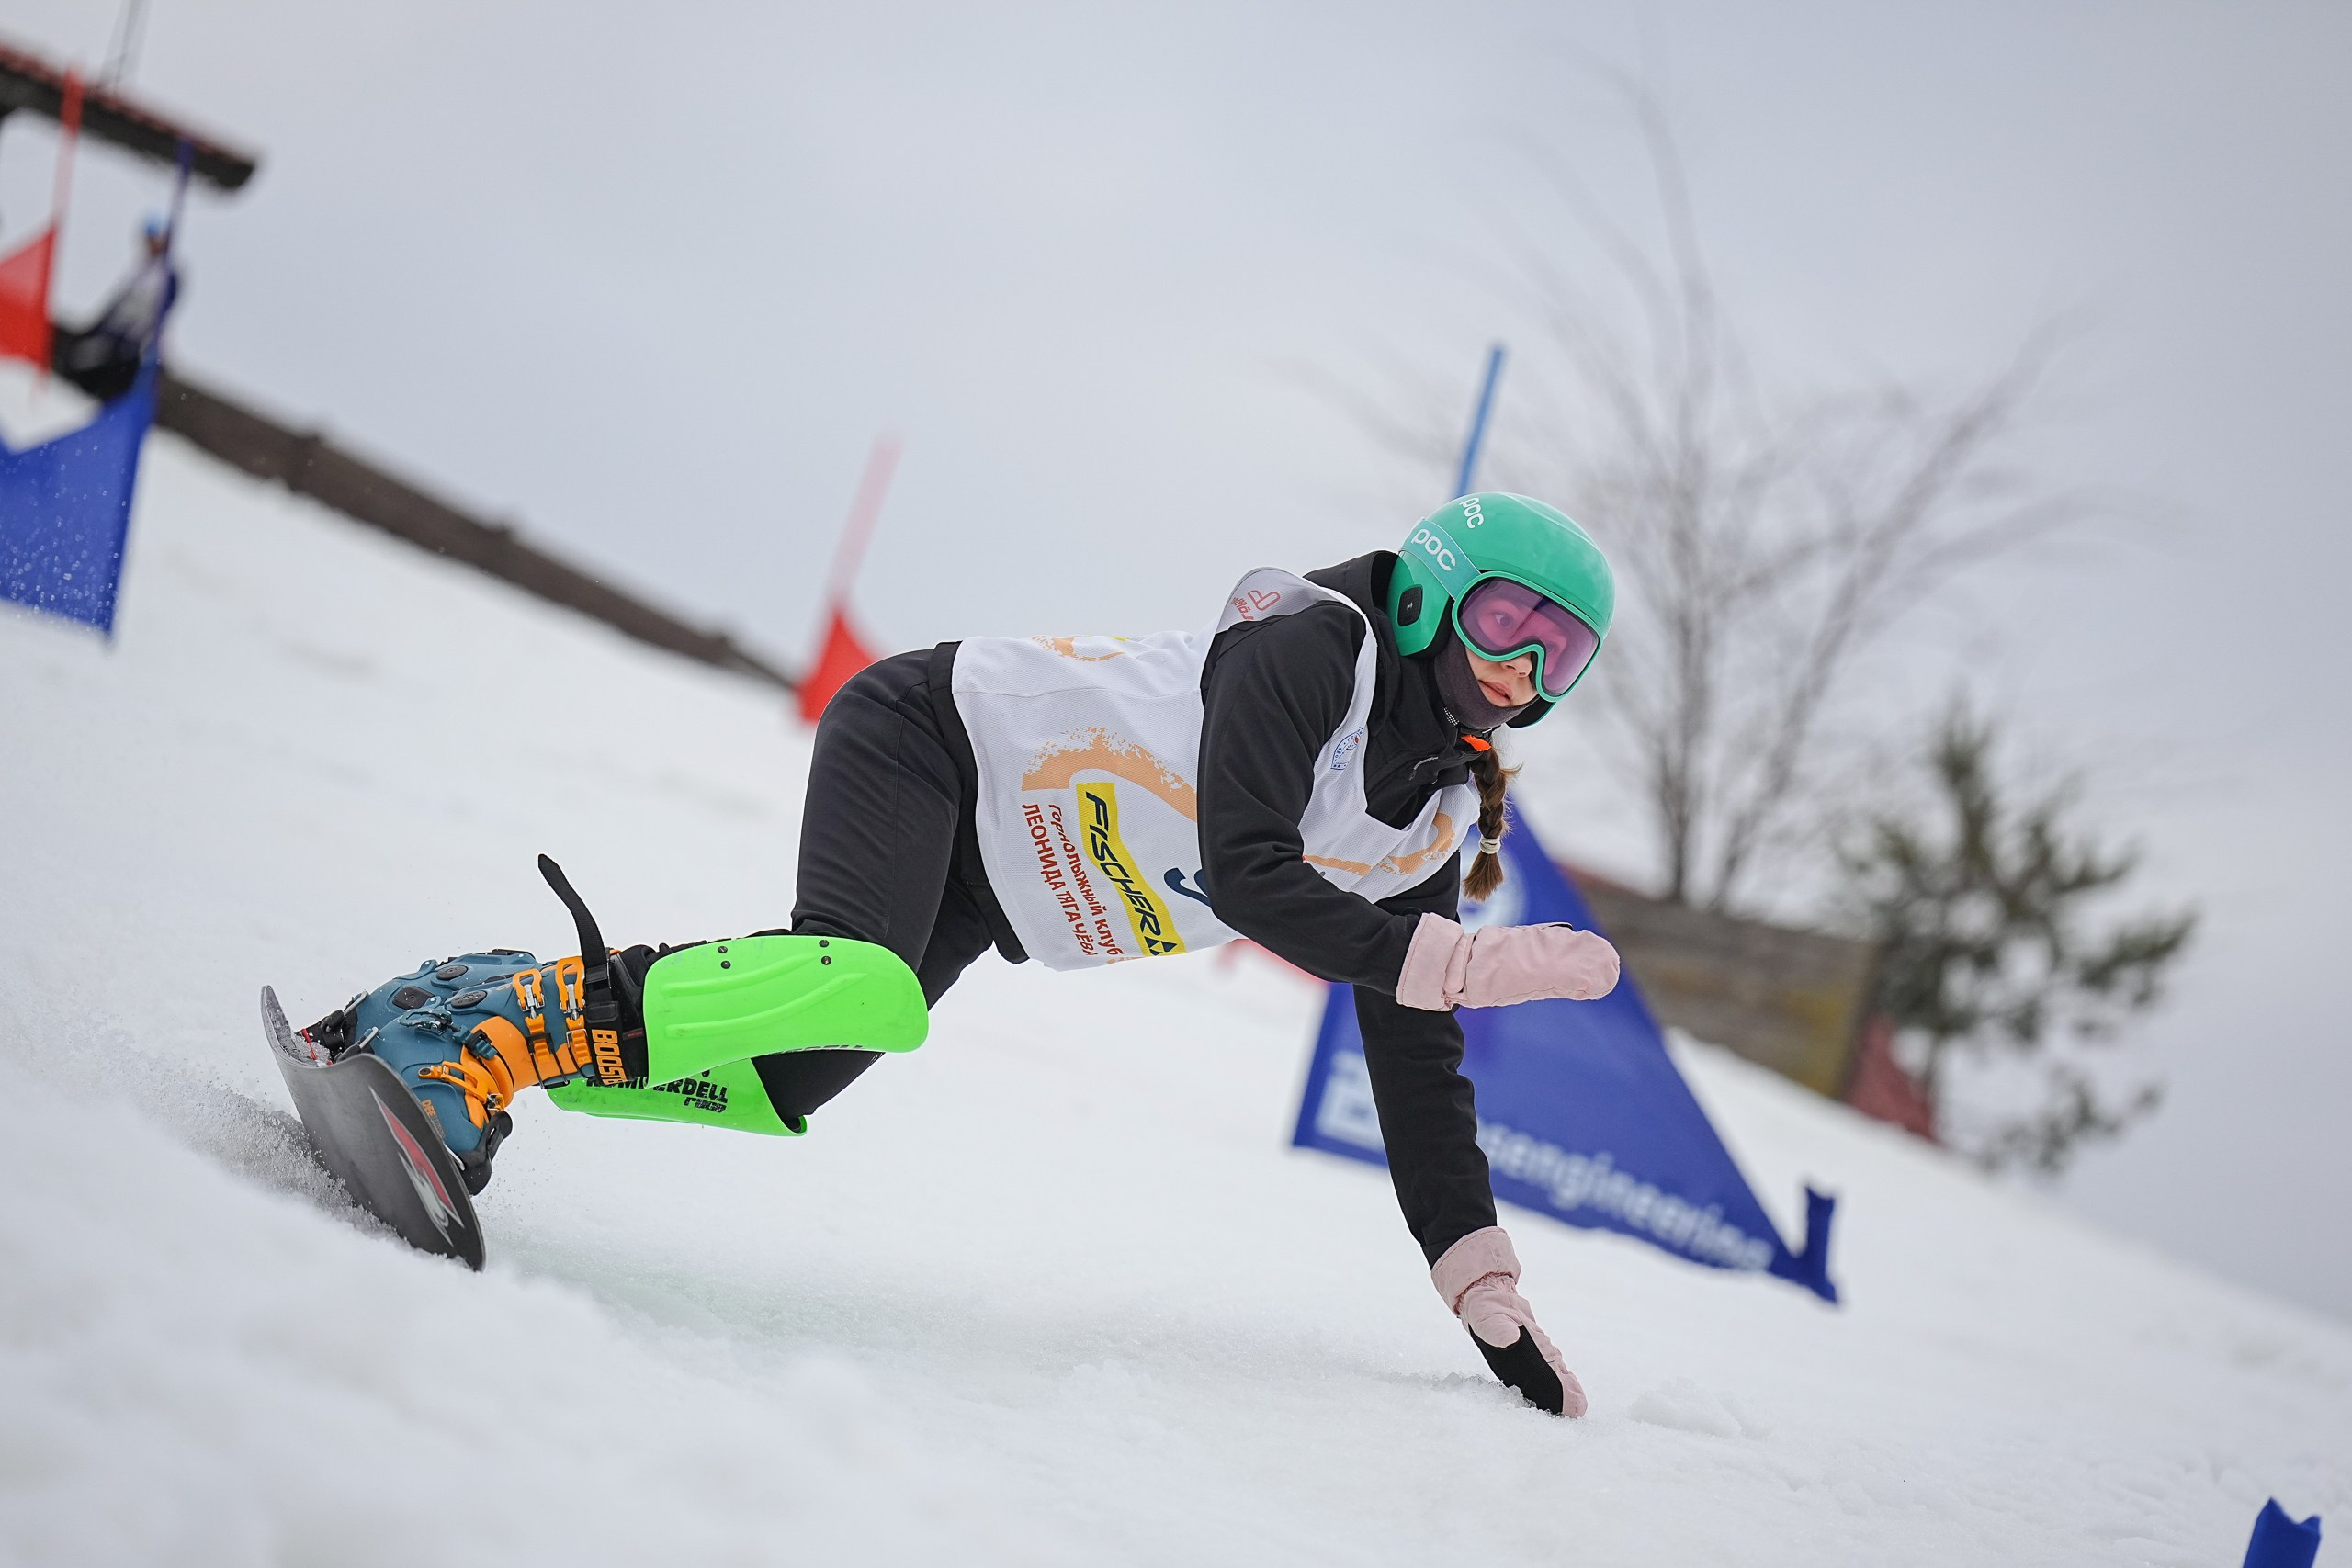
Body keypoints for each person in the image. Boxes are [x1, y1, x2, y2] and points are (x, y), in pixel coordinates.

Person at [299, 492, 1623, 1416]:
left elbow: (1414, 1055)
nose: (1524, 664)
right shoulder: (1317, 647)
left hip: (993, 879)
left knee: (785, 1077)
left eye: (1561, 651)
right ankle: (476, 1046)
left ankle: (463, 1008)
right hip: (932, 738)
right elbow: (1248, 868)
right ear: (1431, 589)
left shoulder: (1429, 820)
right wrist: (1454, 961)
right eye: (1508, 618)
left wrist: (1475, 1271)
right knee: (858, 980)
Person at [54, 214, 179, 401]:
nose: (149, 244)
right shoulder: (141, 269)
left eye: (154, 239)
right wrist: (94, 328)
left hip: (134, 344)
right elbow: (118, 304)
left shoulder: (166, 276)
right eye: (147, 239)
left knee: (112, 378)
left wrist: (134, 339)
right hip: (114, 335)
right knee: (79, 360)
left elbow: (157, 315)